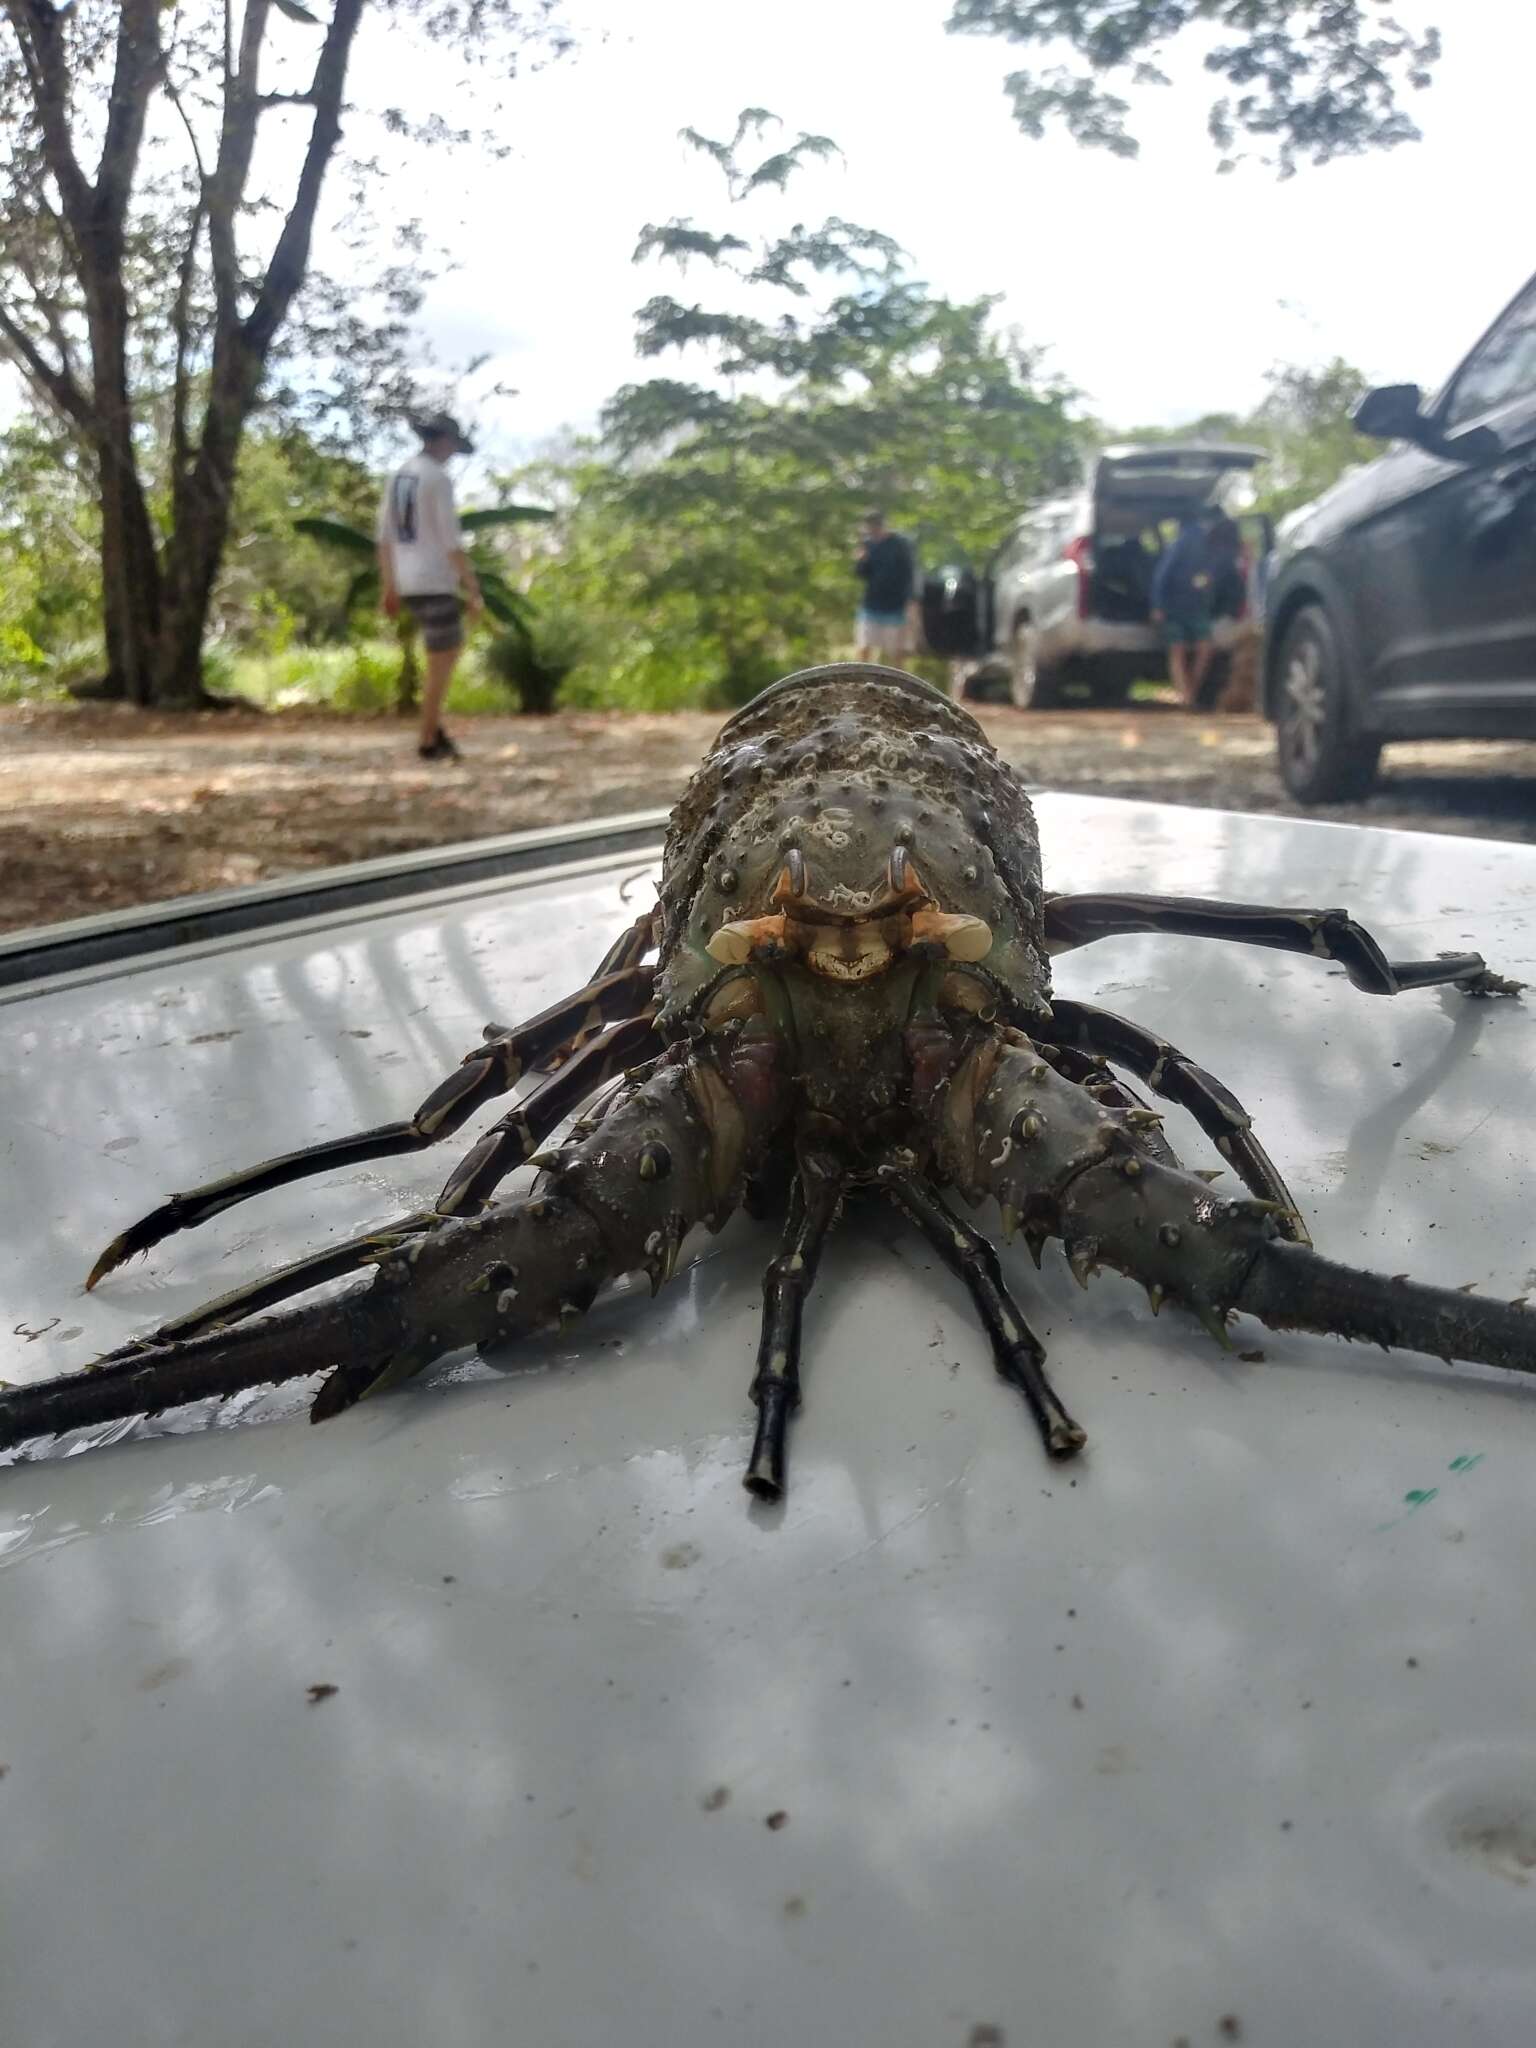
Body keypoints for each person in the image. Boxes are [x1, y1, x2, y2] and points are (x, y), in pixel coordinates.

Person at [377, 412, 483, 760]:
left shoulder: (399, 476)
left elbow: (384, 538)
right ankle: (428, 739)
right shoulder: (437, 478)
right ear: (442, 442)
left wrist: (390, 586)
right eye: (452, 444)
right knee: (442, 662)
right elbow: (451, 540)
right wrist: (473, 588)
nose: (453, 451)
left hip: (408, 580)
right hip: (435, 580)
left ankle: (434, 728)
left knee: (441, 656)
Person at [1151, 512, 1217, 709]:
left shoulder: (1205, 548)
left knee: (1196, 649)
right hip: (1176, 606)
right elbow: (1161, 577)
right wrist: (1158, 606)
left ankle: (1189, 693)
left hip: (1193, 607)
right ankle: (1187, 695)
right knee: (1181, 649)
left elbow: (1207, 578)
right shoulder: (1181, 545)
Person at [853, 509, 916, 663]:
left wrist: (911, 601)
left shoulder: (899, 544)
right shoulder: (867, 545)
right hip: (871, 604)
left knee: (896, 653)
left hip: (895, 606)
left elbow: (909, 573)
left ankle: (898, 684)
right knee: (864, 646)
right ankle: (861, 681)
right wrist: (862, 559)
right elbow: (861, 574)